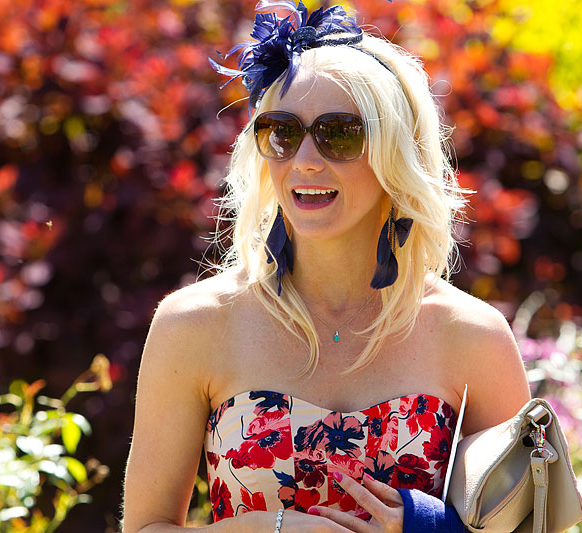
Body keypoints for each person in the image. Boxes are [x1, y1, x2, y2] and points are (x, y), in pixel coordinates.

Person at [122, 2, 531, 532]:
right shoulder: (194, 324)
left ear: (395, 155)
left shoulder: (472, 336)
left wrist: (427, 527)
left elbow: (530, 525)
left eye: (338, 134)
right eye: (282, 133)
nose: (305, 160)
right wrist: (270, 530)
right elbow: (145, 525)